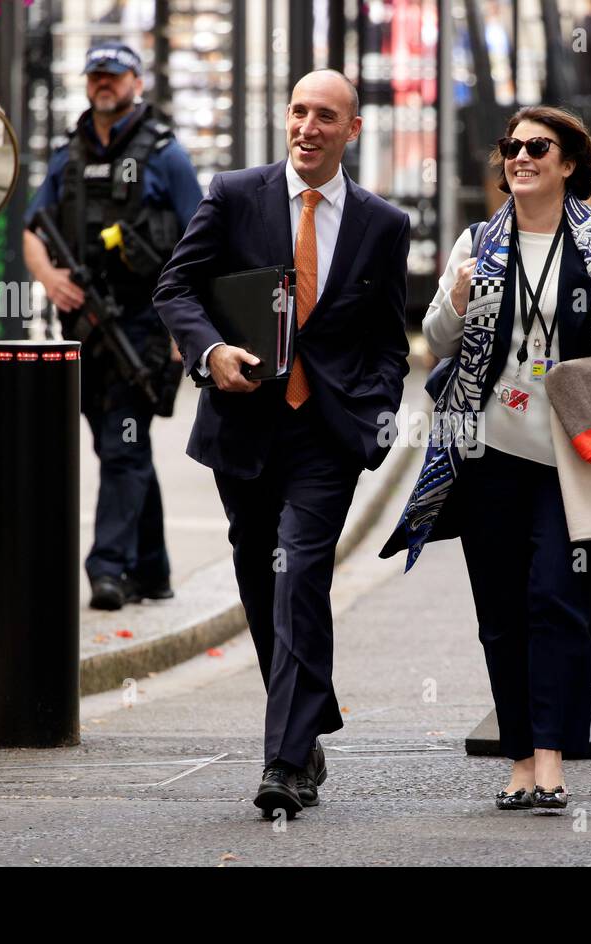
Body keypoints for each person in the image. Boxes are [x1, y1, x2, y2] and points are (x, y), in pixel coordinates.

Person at [380, 105, 591, 813]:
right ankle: (517, 757)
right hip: (487, 450)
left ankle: (552, 755)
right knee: (500, 609)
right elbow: (438, 342)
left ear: (568, 162)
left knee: (553, 600)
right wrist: (455, 296)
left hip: (569, 456)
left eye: (537, 147)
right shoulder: (479, 242)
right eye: (511, 147)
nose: (520, 158)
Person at [153, 69, 411, 820]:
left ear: (351, 131)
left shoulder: (382, 225)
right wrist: (211, 353)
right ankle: (307, 717)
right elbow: (176, 288)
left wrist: (374, 416)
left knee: (302, 578)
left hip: (327, 436)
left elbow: (390, 342)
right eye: (298, 111)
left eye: (325, 116)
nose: (307, 127)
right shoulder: (236, 194)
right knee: (263, 586)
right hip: (244, 427)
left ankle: (285, 763)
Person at [23, 42, 202, 611]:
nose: (105, 83)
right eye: (97, 75)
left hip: (145, 326)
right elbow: (33, 228)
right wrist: (50, 279)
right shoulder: (67, 155)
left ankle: (108, 570)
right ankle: (154, 570)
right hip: (85, 328)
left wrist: (186, 333)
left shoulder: (166, 153)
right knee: (117, 445)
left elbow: (200, 241)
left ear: (136, 81)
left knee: (122, 445)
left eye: (115, 75)